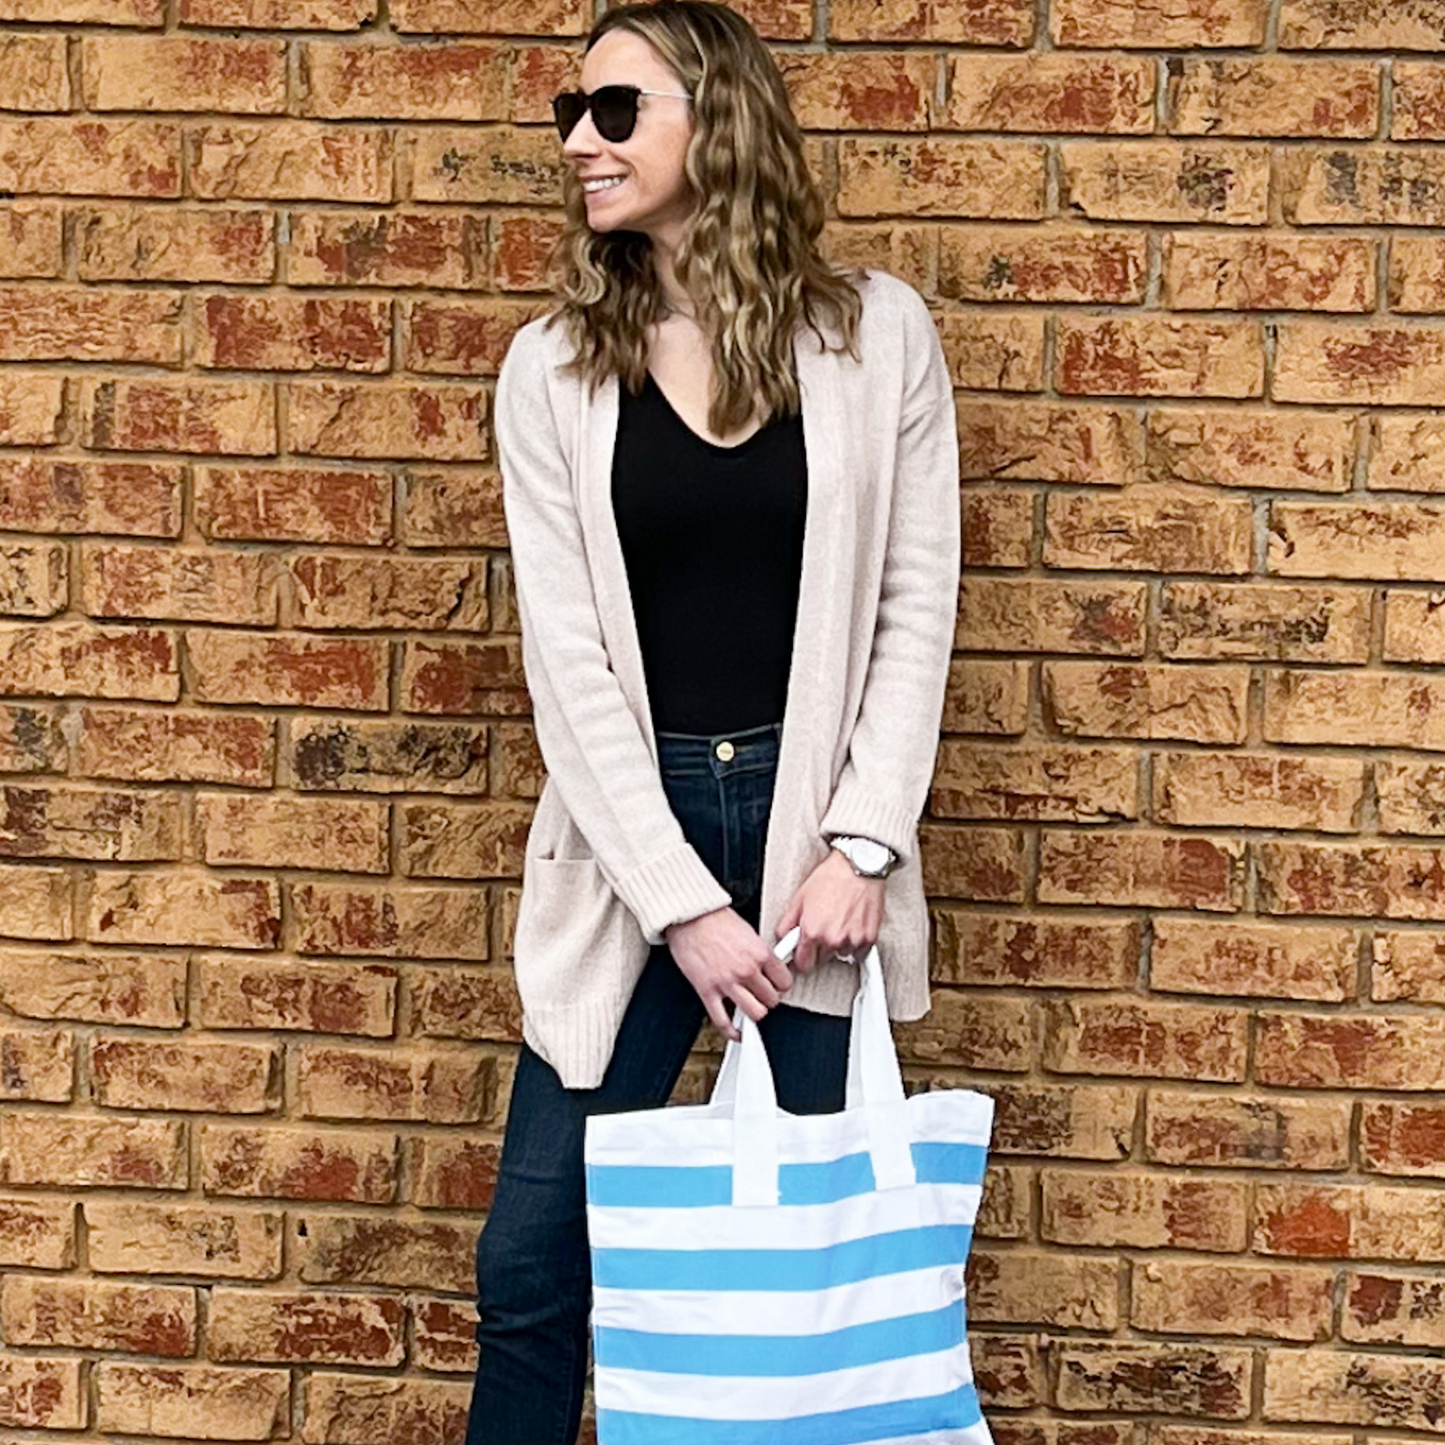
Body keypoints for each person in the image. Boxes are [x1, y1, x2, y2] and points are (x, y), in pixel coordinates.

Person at [466, 3, 960, 1441]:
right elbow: (569, 668)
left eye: (615, 111)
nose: (578, 139)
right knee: (534, 1263)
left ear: (717, 120)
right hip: (635, 850)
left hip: (817, 858)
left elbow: (915, 611)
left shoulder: (880, 340)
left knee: (809, 1282)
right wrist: (682, 904)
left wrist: (863, 847)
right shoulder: (551, 371)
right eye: (572, 110)